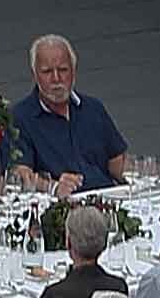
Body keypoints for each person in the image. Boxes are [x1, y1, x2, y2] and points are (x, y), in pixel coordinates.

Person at [7, 30, 130, 189]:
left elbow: (118, 165)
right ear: (35, 75)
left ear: (74, 71)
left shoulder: (93, 108)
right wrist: (53, 187)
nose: (56, 79)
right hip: (59, 207)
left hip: (106, 200)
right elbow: (19, 176)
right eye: (47, 72)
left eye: (63, 70)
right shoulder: (19, 118)